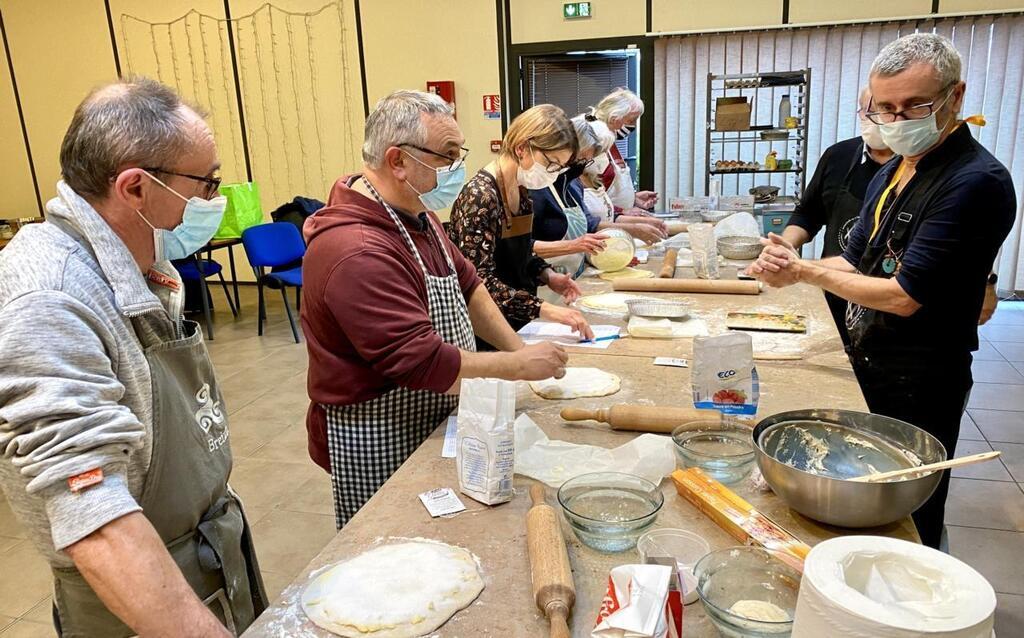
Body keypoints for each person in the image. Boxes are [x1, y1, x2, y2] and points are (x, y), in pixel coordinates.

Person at [0, 78, 266, 637]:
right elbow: (93, 515)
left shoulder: (141, 258)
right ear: (136, 188)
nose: (213, 202)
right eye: (207, 183)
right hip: (136, 596)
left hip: (203, 548)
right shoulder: (50, 297)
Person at [750, 33, 1016, 549]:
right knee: (857, 498)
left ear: (954, 98)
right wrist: (787, 262)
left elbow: (903, 295)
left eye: (915, 106)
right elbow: (856, 258)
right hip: (869, 356)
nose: (897, 121)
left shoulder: (974, 181)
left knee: (904, 515)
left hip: (918, 376)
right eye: (885, 108)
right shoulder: (895, 169)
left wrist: (806, 273)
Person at [301, 91, 569, 528]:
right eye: (447, 155)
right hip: (379, 430)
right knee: (392, 543)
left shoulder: (414, 212)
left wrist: (518, 348)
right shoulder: (357, 251)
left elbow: (469, 285)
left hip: (432, 407)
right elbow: (422, 363)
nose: (457, 167)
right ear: (398, 161)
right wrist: (518, 367)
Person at [449, 104, 593, 346]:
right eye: (551, 163)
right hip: (484, 330)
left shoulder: (522, 191)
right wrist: (545, 309)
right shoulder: (481, 197)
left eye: (560, 167)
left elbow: (522, 252)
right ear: (522, 148)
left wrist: (547, 275)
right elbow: (478, 281)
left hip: (518, 323)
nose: (554, 173)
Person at [780, 87, 894, 344]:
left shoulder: (920, 169)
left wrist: (799, 271)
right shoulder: (838, 157)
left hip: (889, 312)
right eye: (867, 111)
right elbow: (808, 213)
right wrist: (786, 247)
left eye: (884, 111)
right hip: (834, 291)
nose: (875, 118)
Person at [529, 115, 667, 278]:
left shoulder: (572, 185)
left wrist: (608, 255)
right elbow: (523, 247)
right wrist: (571, 247)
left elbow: (588, 224)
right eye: (579, 159)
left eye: (586, 161)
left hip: (573, 277)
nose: (580, 166)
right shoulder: (536, 188)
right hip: (543, 281)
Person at [589, 88, 659, 216]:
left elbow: (610, 188)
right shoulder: (595, 143)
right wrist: (622, 211)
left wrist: (633, 199)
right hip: (604, 222)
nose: (634, 126)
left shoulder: (610, 141)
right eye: (631, 120)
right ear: (614, 118)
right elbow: (590, 198)